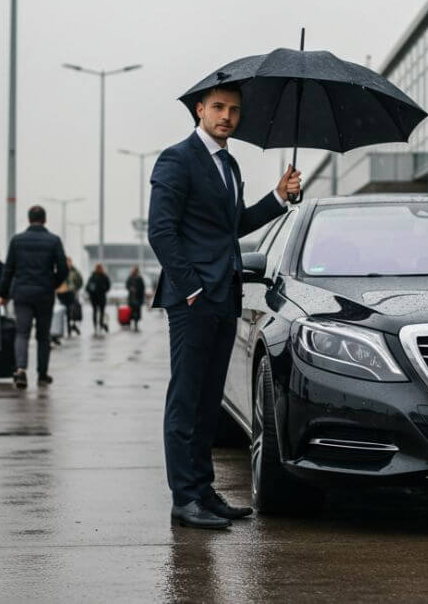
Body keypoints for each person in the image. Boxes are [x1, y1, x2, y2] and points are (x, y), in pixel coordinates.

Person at [148, 81, 301, 530]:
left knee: (209, 401)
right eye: (218, 107)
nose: (227, 117)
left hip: (225, 293)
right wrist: (192, 286)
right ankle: (184, 498)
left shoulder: (229, 165)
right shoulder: (177, 159)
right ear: (200, 109)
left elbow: (232, 225)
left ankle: (204, 490)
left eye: (234, 110)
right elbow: (161, 231)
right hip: (194, 298)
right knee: (186, 397)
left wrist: (278, 196)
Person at [0, 205, 68, 389]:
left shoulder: (17, 241)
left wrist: (3, 294)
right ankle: (42, 374)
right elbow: (63, 269)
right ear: (44, 220)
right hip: (44, 293)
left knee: (22, 332)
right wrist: (51, 284)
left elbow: (8, 270)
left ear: (29, 220)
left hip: (22, 293)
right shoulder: (54, 241)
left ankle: (20, 371)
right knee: (43, 336)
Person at [56, 257, 82, 337]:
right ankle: (67, 328)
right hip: (61, 293)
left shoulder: (75, 272)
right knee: (64, 311)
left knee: (71, 310)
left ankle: (70, 327)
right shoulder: (61, 270)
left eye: (69, 262)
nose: (68, 263)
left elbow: (80, 281)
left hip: (71, 293)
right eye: (66, 262)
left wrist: (75, 289)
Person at [85, 264, 111, 335]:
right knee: (101, 312)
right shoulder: (104, 276)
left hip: (94, 297)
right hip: (101, 297)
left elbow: (87, 287)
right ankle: (100, 325)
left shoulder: (93, 276)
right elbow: (108, 286)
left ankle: (96, 325)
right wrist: (104, 289)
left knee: (95, 311)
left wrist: (92, 292)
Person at [126, 266, 146, 332]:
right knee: (131, 311)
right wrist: (130, 288)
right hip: (131, 298)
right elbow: (127, 285)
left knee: (137, 311)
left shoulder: (139, 278)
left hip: (138, 298)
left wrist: (138, 290)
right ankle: (130, 324)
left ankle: (136, 325)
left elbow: (142, 288)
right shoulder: (130, 278)